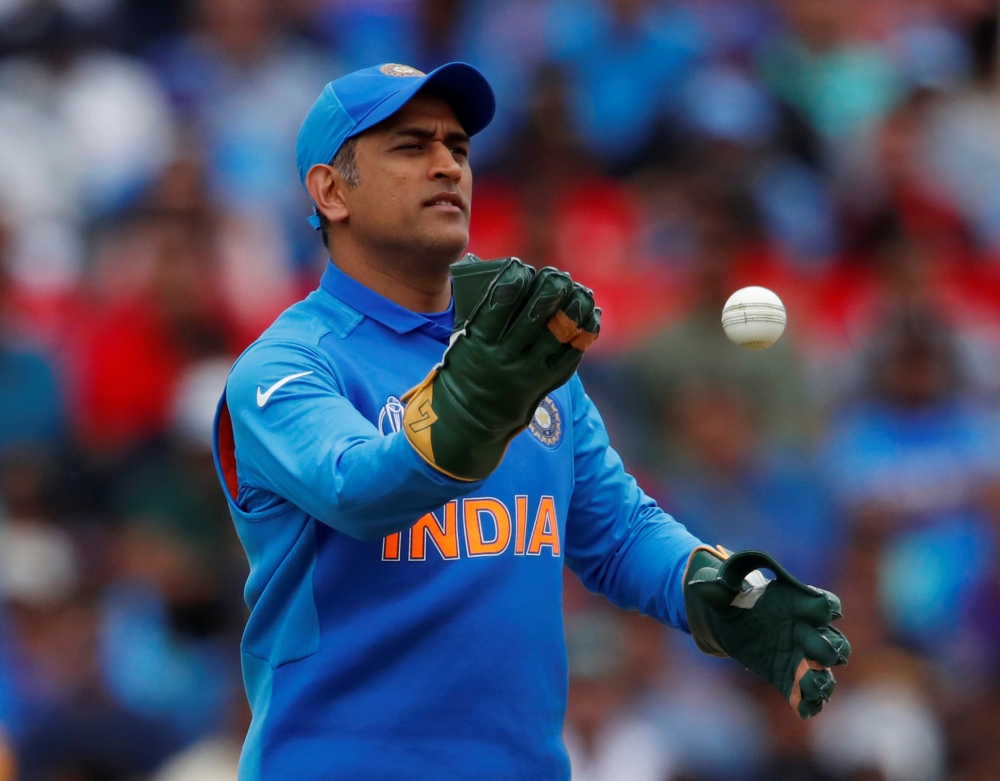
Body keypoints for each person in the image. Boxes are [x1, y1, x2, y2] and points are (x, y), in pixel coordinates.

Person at [212, 62, 849, 780]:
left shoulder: (517, 348)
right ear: (331, 190)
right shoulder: (287, 366)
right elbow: (358, 487)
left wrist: (712, 584)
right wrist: (475, 403)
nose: (447, 164)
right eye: (410, 145)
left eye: (458, 147)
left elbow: (617, 532)